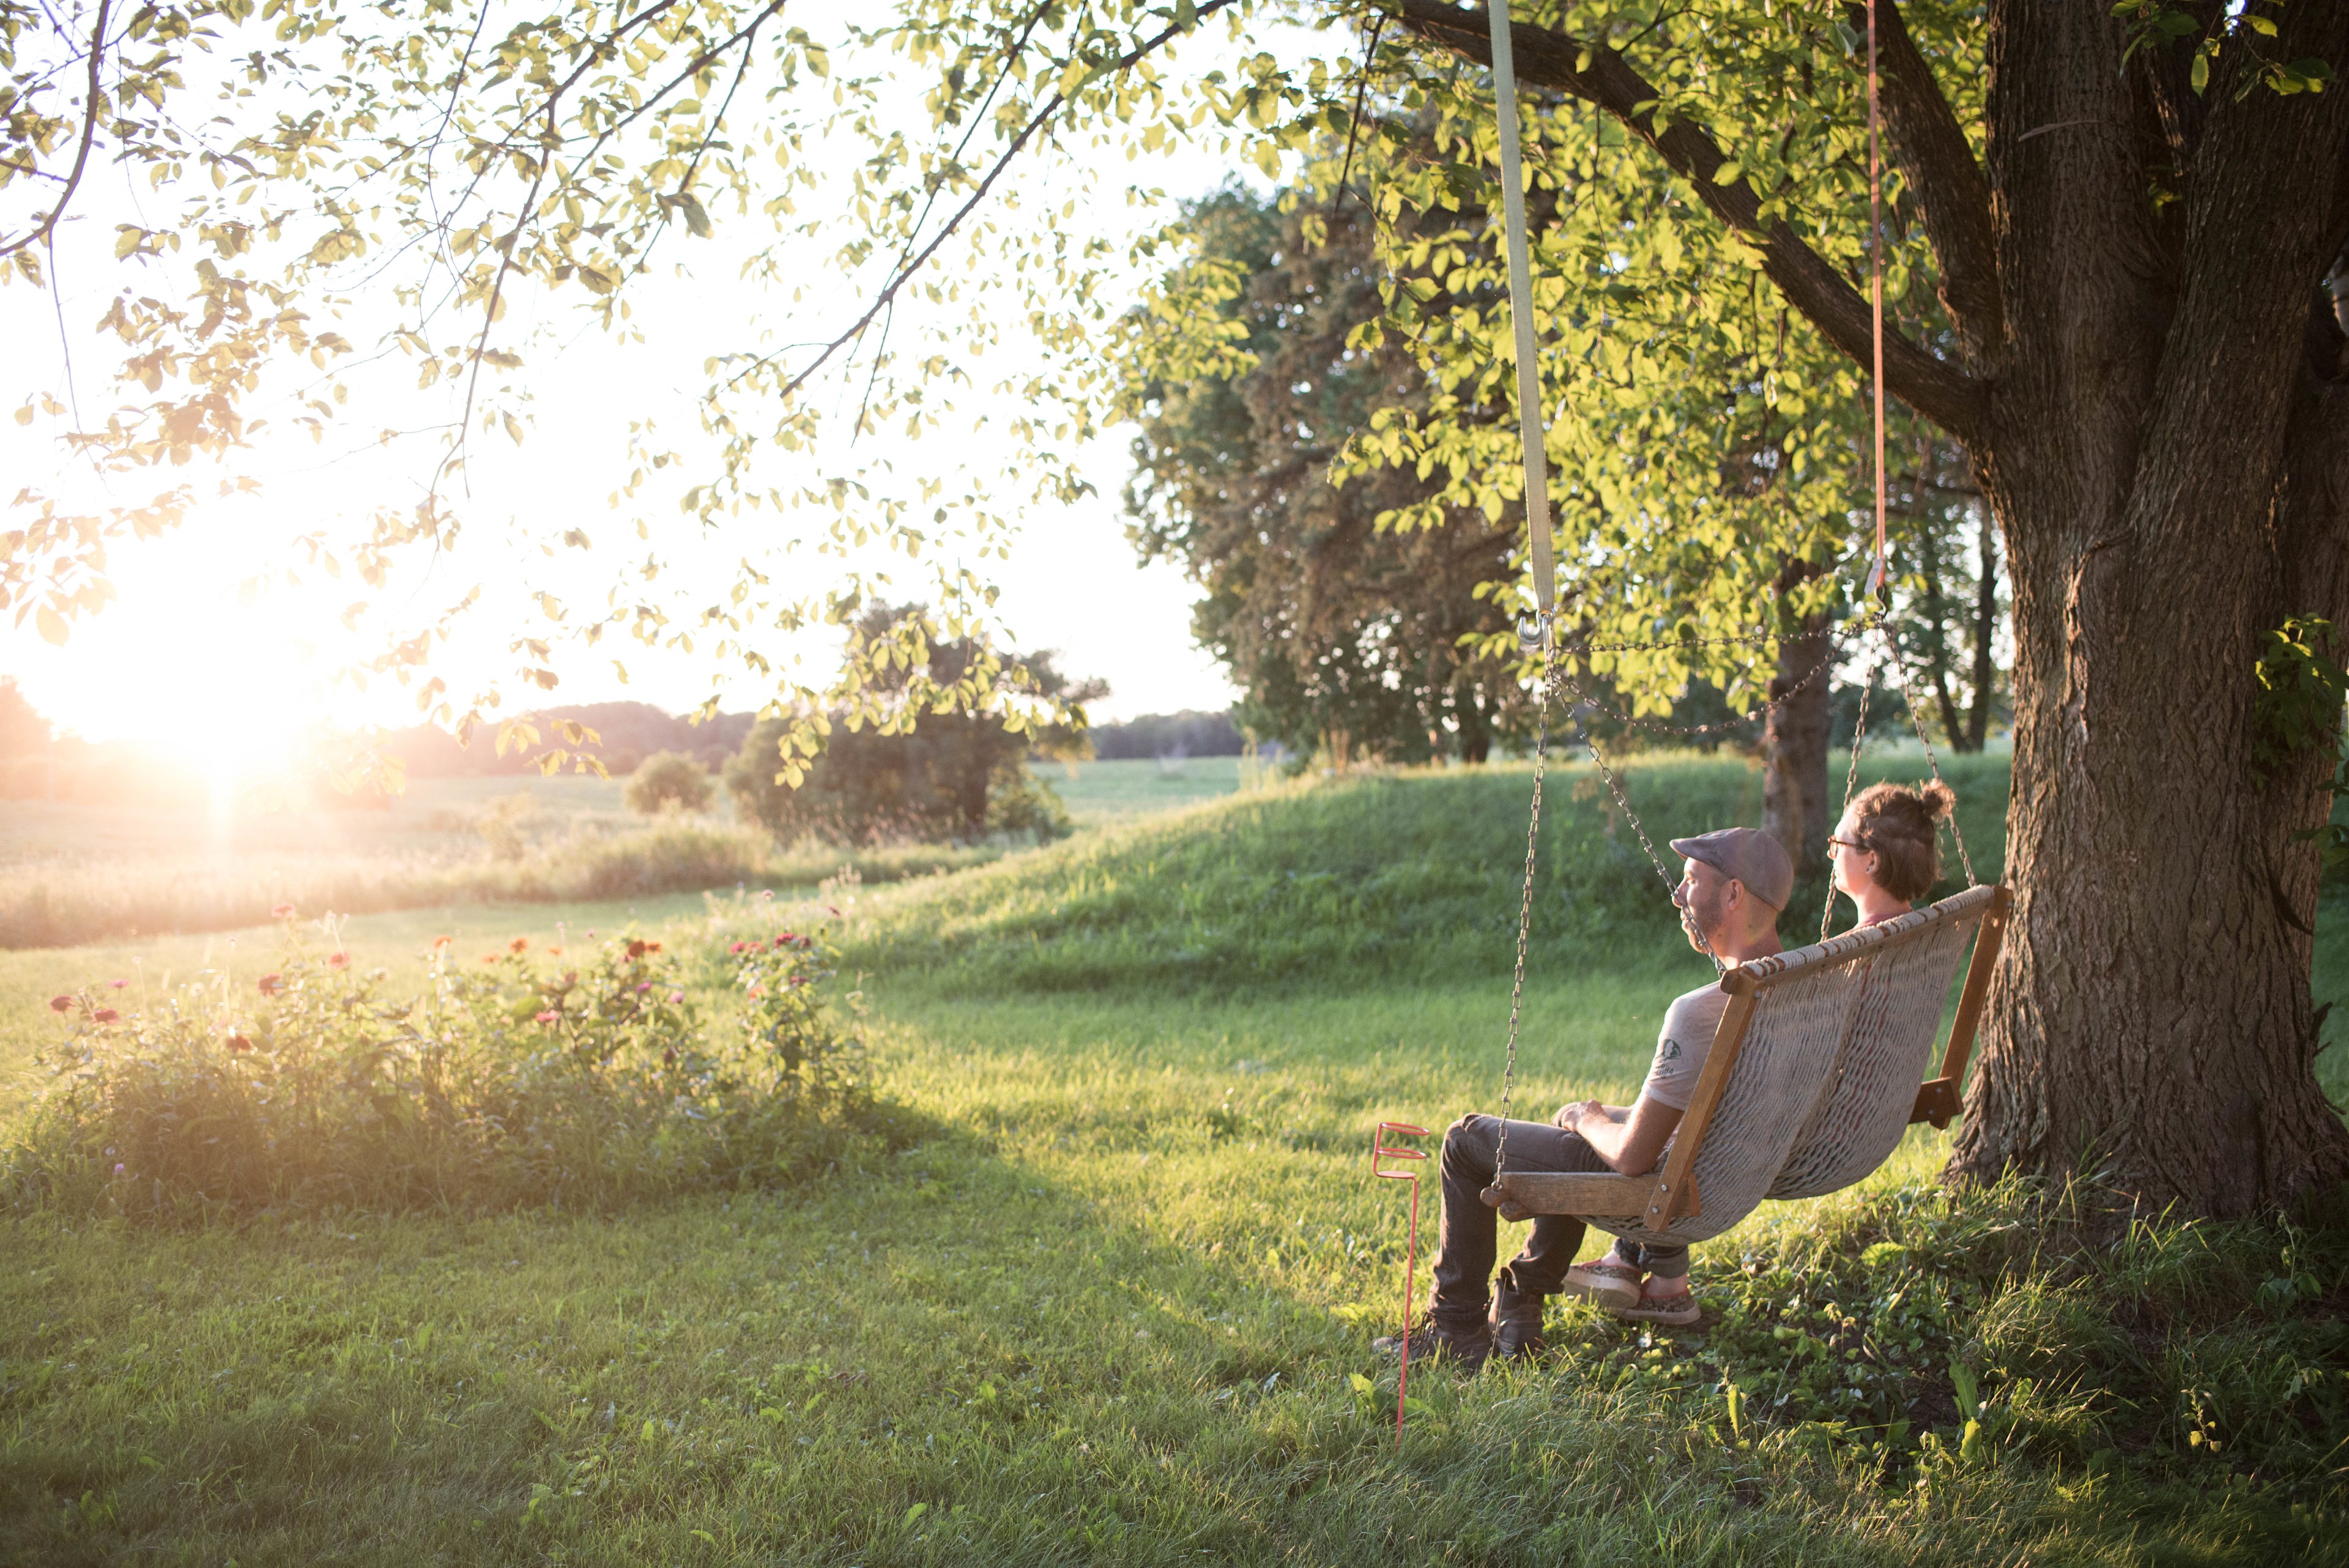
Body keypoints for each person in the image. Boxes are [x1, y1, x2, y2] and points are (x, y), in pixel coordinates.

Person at [1375, 825, 1792, 1370]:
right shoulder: (1803, 980)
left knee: (1464, 1141)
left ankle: (1455, 1328)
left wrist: (1585, 1117)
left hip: (1675, 1189)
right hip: (1732, 1171)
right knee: (1573, 1133)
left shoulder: (1699, 1011)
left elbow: (1633, 1157)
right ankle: (1524, 1294)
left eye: (1691, 880)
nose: (1677, 894)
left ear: (1734, 894)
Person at [1828, 779, 1956, 927]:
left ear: (1872, 862)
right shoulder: (1919, 931)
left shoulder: (1853, 948)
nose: (1830, 854)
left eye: (1838, 844)